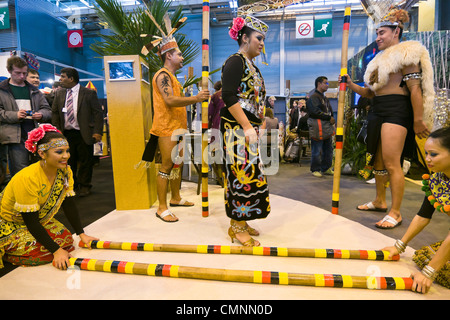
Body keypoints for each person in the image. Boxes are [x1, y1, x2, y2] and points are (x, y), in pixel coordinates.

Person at [342, 9, 433, 229]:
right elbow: (370, 93)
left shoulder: (407, 54)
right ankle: (380, 201)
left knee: (393, 163)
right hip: (377, 109)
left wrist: (418, 119)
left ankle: (396, 212)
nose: (378, 37)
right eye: (377, 33)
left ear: (396, 32)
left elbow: (415, 90)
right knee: (378, 161)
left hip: (397, 110)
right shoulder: (377, 61)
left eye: (382, 32)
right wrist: (351, 84)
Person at [141, 13, 210, 223]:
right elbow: (170, 101)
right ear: (168, 55)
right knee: (166, 167)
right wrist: (196, 98)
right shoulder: (162, 75)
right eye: (179, 54)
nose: (182, 57)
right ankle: (161, 207)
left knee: (177, 164)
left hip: (178, 127)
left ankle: (176, 198)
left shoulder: (171, 77)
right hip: (166, 128)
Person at [0, 124, 98, 270]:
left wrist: (81, 234)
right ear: (42, 153)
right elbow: (30, 222)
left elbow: (68, 204)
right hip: (11, 223)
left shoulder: (65, 171)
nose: (66, 156)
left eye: (67, 151)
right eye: (59, 152)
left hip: (38, 220)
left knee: (66, 240)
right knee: (43, 252)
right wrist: (56, 251)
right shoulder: (28, 178)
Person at [221, 15, 270, 247]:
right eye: (259, 38)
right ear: (244, 37)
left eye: (263, 39)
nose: (262, 43)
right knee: (239, 176)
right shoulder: (235, 61)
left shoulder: (252, 66)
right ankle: (236, 227)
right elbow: (228, 96)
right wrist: (247, 126)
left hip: (247, 129)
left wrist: (257, 124)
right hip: (236, 128)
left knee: (251, 175)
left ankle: (244, 217)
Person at [382, 126, 450, 293]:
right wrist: (399, 246)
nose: (427, 159)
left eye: (433, 154)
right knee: (423, 257)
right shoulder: (437, 180)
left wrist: (429, 272)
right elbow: (423, 216)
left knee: (436, 266)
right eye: (426, 153)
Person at [52, 67, 104, 197]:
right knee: (69, 162)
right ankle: (72, 185)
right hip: (66, 134)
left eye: (63, 76)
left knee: (86, 161)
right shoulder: (59, 94)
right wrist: (56, 131)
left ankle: (85, 185)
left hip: (84, 133)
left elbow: (98, 114)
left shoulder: (88, 93)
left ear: (71, 78)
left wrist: (97, 132)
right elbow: (55, 113)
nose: (60, 79)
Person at [0, 56, 52, 177]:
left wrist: (41, 114)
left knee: (38, 168)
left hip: (35, 135)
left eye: (24, 73)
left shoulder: (35, 90)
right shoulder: (2, 90)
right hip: (14, 136)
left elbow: (47, 110)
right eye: (18, 73)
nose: (22, 76)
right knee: (20, 170)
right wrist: (15, 115)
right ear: (9, 71)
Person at [306, 76, 335, 178]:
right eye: (325, 83)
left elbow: (329, 111)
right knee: (316, 149)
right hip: (317, 127)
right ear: (319, 84)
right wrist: (328, 117)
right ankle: (315, 169)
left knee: (328, 149)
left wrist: (331, 117)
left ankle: (326, 168)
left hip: (326, 127)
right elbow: (315, 112)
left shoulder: (324, 98)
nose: (327, 85)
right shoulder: (313, 97)